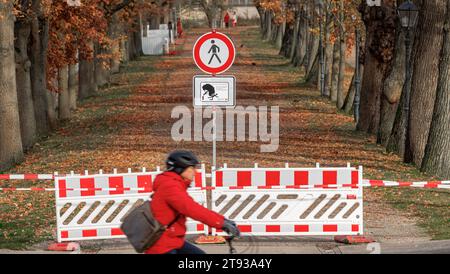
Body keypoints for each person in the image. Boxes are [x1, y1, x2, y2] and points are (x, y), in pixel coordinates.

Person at [145, 150, 240, 254]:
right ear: (180, 169)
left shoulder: (173, 183)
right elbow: (192, 209)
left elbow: (194, 208)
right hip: (161, 245)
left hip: (173, 241)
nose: (196, 171)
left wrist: (223, 220)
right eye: (192, 168)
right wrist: (221, 223)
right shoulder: (170, 187)